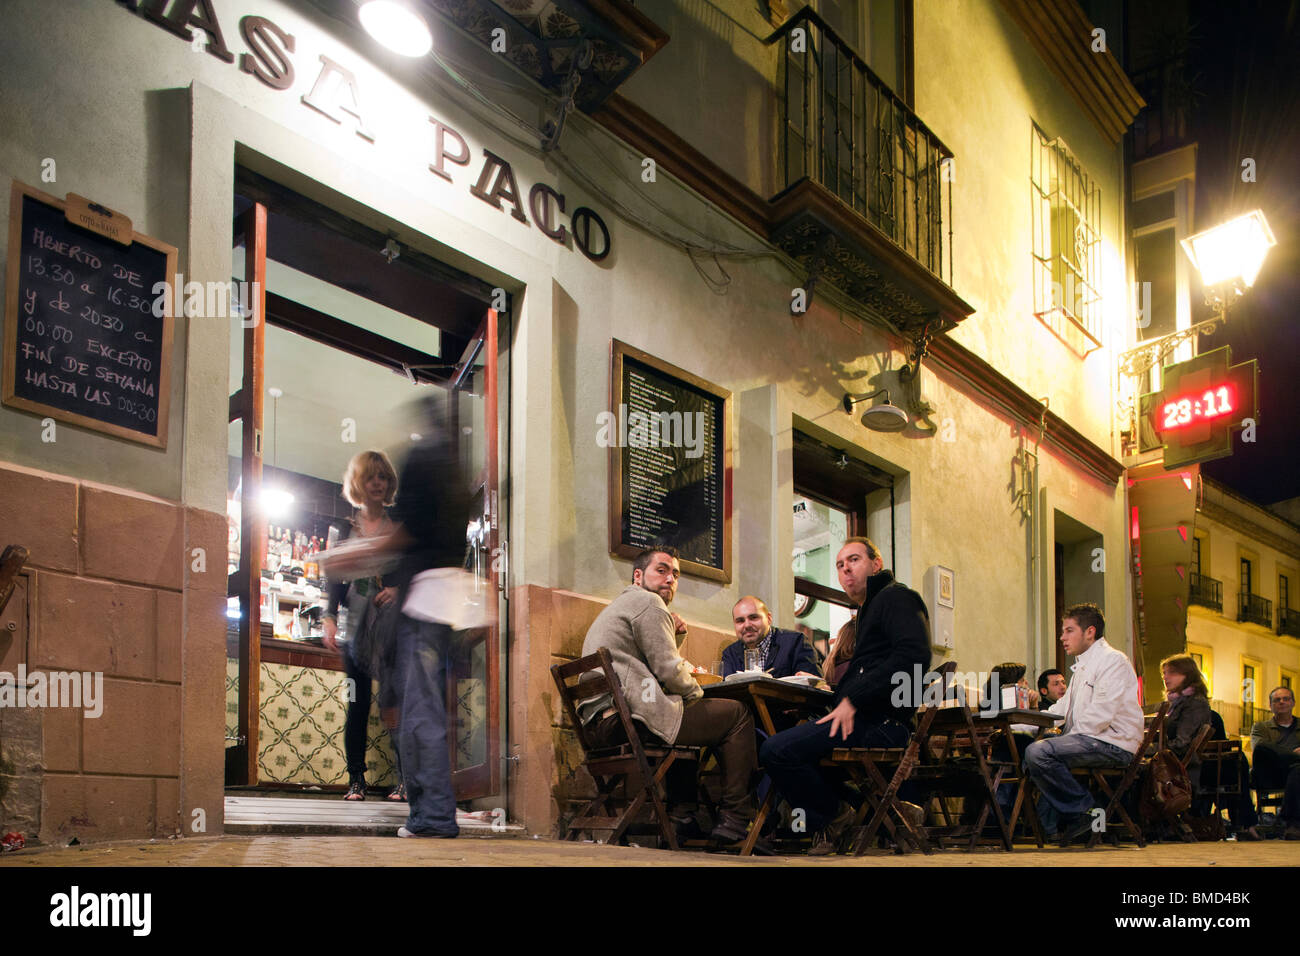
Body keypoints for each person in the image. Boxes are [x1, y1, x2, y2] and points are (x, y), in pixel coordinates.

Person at [328, 395, 474, 838]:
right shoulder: (456, 472)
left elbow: (407, 538)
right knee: (420, 706)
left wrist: (357, 556)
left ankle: (430, 816)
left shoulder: (423, 461)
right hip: (440, 601)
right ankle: (429, 809)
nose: (380, 481)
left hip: (416, 601)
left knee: (417, 710)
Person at [759, 537, 931, 856]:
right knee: (784, 740)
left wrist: (852, 700)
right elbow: (868, 671)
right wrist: (827, 694)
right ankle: (884, 812)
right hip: (868, 717)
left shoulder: (897, 597)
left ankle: (838, 815)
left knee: (775, 750)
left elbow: (914, 656)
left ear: (876, 564)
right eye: (839, 565)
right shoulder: (869, 610)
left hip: (885, 722)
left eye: (854, 560)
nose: (845, 569)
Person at [577, 546, 758, 844]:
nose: (670, 578)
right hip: (627, 722)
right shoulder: (648, 602)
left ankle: (682, 816)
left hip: (600, 728)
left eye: (675, 573)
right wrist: (696, 693)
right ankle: (735, 820)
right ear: (638, 576)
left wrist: (677, 638)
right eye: (661, 570)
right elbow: (668, 670)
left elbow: (650, 666)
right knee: (737, 715)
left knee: (679, 713)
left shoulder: (622, 605)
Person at [1023, 603, 1144, 844]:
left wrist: (1060, 741)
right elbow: (1060, 711)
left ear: (1089, 632)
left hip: (1112, 743)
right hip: (1090, 739)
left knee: (1039, 752)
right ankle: (1052, 826)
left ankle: (1087, 811)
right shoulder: (1083, 667)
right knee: (1027, 750)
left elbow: (1100, 715)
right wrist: (1021, 724)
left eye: (1069, 630)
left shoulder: (1112, 661)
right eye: (1062, 631)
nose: (1062, 637)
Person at [321, 450, 404, 802]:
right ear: (358, 482)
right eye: (370, 477)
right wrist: (328, 616)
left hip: (390, 629)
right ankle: (356, 780)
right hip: (354, 628)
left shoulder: (399, 527)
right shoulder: (342, 528)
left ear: (388, 485)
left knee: (396, 704)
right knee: (357, 703)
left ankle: (405, 781)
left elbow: (411, 571)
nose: (376, 483)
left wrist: (398, 589)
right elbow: (333, 577)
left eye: (382, 477)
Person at [1160, 654, 1260, 840]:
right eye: (1164, 673)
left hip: (1187, 767)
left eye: (1172, 673)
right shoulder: (1174, 704)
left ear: (1187, 675)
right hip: (1175, 761)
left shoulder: (1194, 704)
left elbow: (1182, 743)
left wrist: (1152, 750)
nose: (1166, 677)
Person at [721, 596, 819, 678]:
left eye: (753, 618)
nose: (747, 625)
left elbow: (815, 687)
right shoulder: (730, 654)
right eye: (740, 621)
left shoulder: (796, 642)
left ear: (769, 618)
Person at [1250, 685, 1300, 840]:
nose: (1282, 702)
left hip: (1296, 774)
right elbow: (1261, 751)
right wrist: (1294, 754)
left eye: (1286, 699)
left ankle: (1292, 823)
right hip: (1270, 774)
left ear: (1293, 703)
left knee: (1298, 770)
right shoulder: (1261, 727)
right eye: (1277, 700)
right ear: (1270, 706)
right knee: (1263, 746)